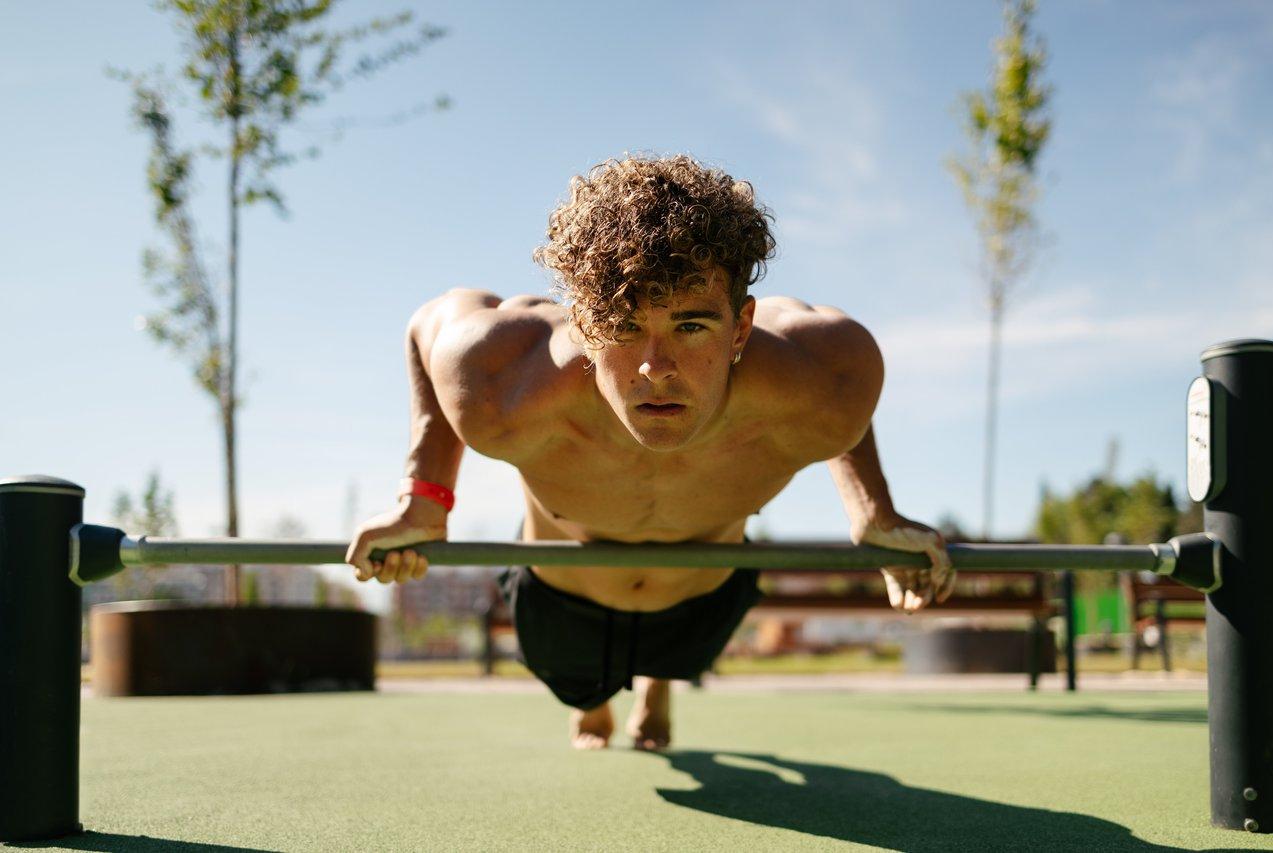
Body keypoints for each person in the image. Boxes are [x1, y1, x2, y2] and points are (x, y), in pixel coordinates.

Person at [346, 154, 954, 751]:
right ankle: (593, 701)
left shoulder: (821, 369)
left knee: (675, 658)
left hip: (702, 599)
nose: (654, 369)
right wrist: (424, 497)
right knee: (578, 685)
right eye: (623, 327)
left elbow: (840, 398)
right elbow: (426, 325)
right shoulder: (503, 376)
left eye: (691, 327)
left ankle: (657, 685)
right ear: (583, 326)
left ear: (741, 327)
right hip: (563, 594)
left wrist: (871, 510)